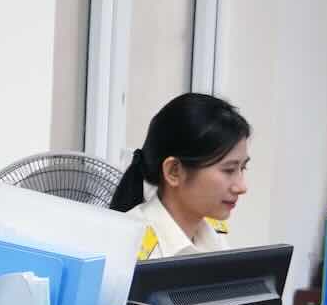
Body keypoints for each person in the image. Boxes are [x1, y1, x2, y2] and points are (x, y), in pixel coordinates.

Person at [108, 92, 252, 259]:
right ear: (173, 171)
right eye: (229, 170)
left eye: (243, 168)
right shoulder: (128, 250)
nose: (242, 187)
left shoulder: (214, 236)